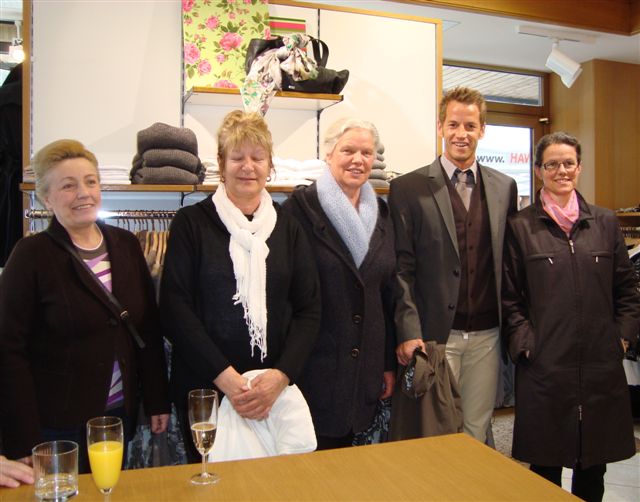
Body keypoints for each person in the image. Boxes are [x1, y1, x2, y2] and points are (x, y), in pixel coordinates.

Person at [159, 110, 321, 462]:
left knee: (277, 485)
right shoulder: (191, 223)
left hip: (275, 395)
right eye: (237, 157)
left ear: (269, 165)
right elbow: (175, 309)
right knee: (215, 484)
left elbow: (309, 310)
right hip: (207, 389)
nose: (248, 166)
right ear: (221, 163)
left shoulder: (289, 228)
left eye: (257, 157)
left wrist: (280, 377)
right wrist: (229, 381)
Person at [0, 140, 170, 473]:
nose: (83, 193)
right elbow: (8, 350)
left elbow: (147, 329)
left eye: (91, 182)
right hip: (55, 426)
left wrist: (156, 399)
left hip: (116, 417)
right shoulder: (30, 256)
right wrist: (21, 438)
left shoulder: (126, 245)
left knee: (108, 490)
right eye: (68, 185)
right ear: (46, 198)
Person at [502, 132, 640, 502]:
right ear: (538, 170)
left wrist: (622, 338)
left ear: (579, 168)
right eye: (552, 164)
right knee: (545, 465)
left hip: (599, 364)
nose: (561, 170)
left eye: (568, 163)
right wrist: (525, 343)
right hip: (544, 365)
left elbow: (627, 291)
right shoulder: (520, 226)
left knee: (594, 465)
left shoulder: (605, 222)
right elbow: (510, 297)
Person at [389, 86, 518, 443]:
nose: (462, 134)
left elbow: (509, 263)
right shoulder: (408, 188)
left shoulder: (504, 187)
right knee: (436, 435)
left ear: (482, 130)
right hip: (434, 336)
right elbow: (401, 269)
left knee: (477, 429)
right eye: (454, 124)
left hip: (488, 335)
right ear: (440, 127)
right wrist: (409, 330)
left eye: (470, 126)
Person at [283, 118, 396, 450]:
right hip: (314, 367)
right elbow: (284, 296)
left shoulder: (382, 214)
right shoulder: (297, 211)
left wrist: (386, 363)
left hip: (366, 368)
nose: (358, 160)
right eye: (348, 150)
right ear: (329, 154)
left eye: (366, 152)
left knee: (349, 464)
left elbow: (387, 293)